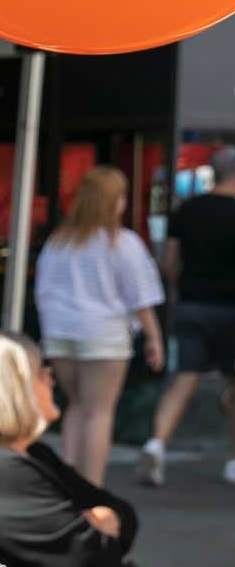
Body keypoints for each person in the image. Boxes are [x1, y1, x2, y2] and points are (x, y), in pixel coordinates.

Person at [0, 329, 142, 567]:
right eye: (41, 373)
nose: (51, 380)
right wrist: (96, 519)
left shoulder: (31, 452)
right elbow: (92, 561)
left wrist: (107, 517)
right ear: (11, 388)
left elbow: (125, 513)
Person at [33, 166, 165, 486]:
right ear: (115, 201)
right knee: (99, 412)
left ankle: (69, 483)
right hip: (104, 335)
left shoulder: (58, 242)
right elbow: (141, 298)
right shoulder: (123, 242)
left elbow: (42, 291)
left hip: (61, 333)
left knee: (76, 409)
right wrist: (154, 338)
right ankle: (92, 488)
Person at [142, 146, 235, 487]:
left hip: (192, 303)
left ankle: (157, 442)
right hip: (231, 308)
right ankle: (233, 460)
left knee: (185, 376)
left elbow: (169, 264)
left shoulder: (188, 209)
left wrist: (183, 285)